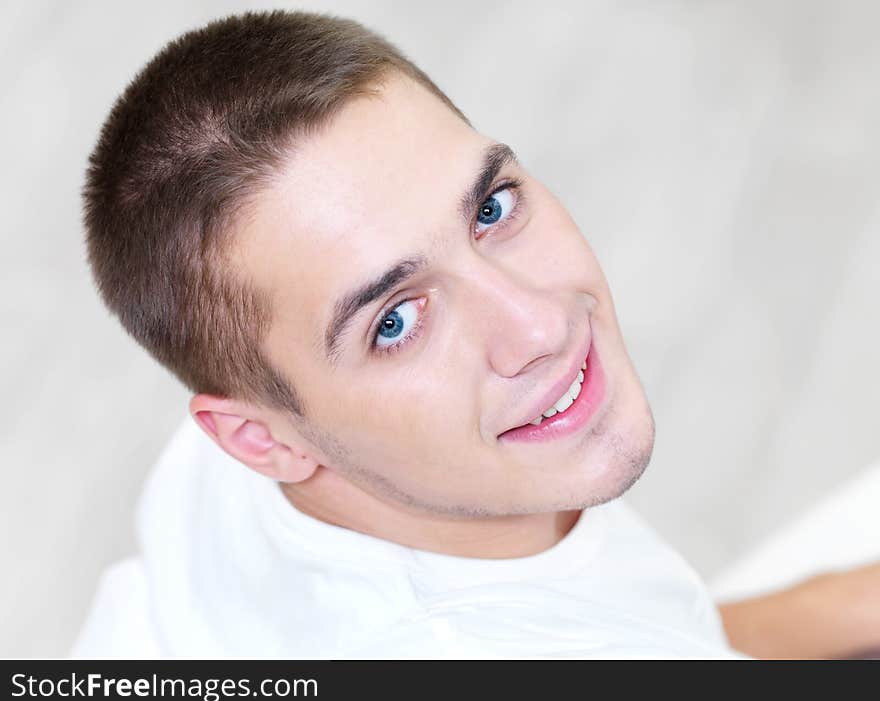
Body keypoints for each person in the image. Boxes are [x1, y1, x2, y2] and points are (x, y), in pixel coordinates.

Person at [73, 9, 879, 659]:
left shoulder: (225, 464)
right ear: (258, 438)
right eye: (395, 322)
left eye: (490, 208)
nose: (537, 323)